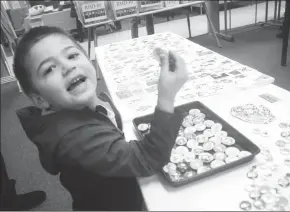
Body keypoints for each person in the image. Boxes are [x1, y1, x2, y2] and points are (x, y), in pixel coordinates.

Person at [13, 26, 188, 211]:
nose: (67, 67)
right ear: (40, 99)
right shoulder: (76, 138)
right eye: (49, 69)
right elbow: (147, 159)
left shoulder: (83, 106)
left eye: (72, 56)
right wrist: (167, 96)